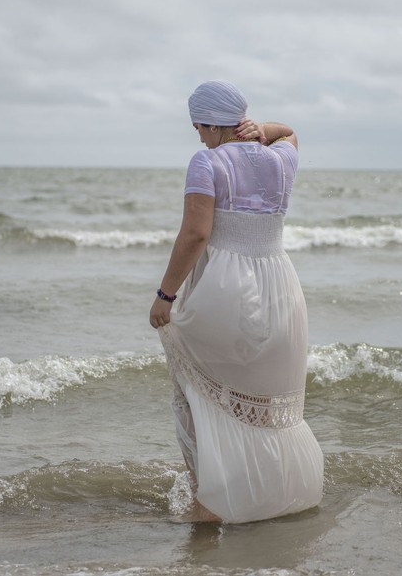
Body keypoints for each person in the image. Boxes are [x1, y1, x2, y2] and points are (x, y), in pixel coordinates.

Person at [149, 80, 323, 523]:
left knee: (195, 395)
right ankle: (274, 500)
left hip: (225, 291)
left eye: (199, 127)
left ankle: (207, 503)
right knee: (266, 405)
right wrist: (263, 128)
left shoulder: (206, 162)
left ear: (212, 124)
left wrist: (165, 295)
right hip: (281, 289)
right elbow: (291, 133)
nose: (198, 136)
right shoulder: (281, 159)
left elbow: (195, 233)